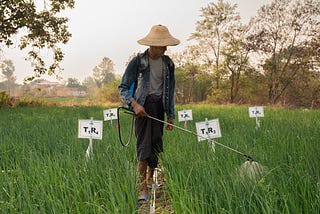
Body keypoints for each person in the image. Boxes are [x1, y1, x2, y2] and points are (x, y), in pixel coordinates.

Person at [118, 24, 180, 205]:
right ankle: (142, 186)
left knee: (155, 146)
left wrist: (170, 114)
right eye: (162, 46)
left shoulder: (168, 63)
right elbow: (122, 88)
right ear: (153, 45)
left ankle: (151, 180)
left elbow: (171, 90)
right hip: (142, 110)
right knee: (143, 148)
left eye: (166, 45)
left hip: (158, 108)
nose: (166, 49)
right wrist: (135, 104)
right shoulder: (138, 62)